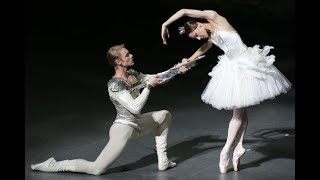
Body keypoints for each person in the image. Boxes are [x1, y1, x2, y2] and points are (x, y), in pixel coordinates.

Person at [161, 9, 292, 173]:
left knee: (238, 113)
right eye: (196, 38)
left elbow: (184, 11)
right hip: (232, 68)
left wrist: (165, 24)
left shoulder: (216, 18)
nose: (200, 38)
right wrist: (188, 61)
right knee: (241, 109)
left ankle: (226, 150)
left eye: (197, 35)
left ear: (200, 24)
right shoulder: (210, 36)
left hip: (246, 64)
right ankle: (239, 147)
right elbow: (204, 48)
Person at [31, 44, 188, 175]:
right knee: (97, 169)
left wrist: (178, 69)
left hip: (137, 124)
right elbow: (135, 107)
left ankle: (163, 161)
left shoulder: (133, 74)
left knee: (164, 115)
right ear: (119, 62)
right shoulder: (114, 85)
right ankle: (52, 165)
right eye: (127, 55)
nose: (131, 55)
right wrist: (148, 86)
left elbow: (157, 77)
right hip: (123, 128)